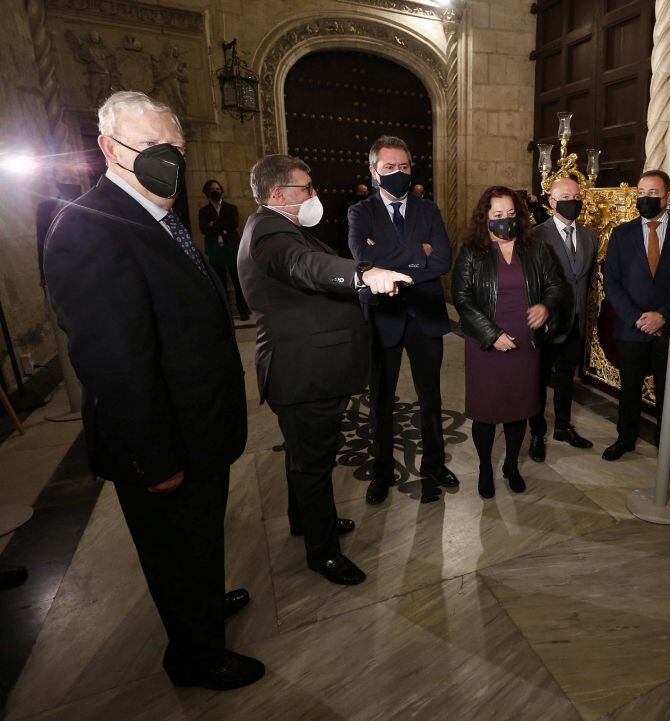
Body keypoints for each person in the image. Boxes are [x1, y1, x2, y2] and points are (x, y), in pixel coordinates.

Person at [43, 91, 263, 690]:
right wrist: (155, 459)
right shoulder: (88, 227)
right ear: (109, 149)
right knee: (174, 551)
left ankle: (205, 607)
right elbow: (114, 365)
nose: (169, 159)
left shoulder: (154, 213)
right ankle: (194, 658)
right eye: (151, 147)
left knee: (199, 541)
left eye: (176, 148)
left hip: (198, 427)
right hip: (162, 442)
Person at [238, 155, 411, 585]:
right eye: (306, 188)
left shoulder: (282, 228)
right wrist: (363, 273)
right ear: (278, 194)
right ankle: (323, 553)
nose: (315, 195)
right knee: (313, 465)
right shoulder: (269, 232)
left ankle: (306, 522)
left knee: (303, 457)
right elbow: (305, 267)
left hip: (307, 370)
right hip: (304, 373)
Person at [347, 136, 456, 505]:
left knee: (431, 398)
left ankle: (435, 464)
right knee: (380, 400)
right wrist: (417, 253)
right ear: (374, 171)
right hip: (383, 319)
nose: (398, 173)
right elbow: (362, 255)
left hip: (424, 317)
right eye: (390, 167)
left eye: (405, 167)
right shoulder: (360, 213)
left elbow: (443, 260)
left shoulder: (429, 210)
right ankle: (380, 471)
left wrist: (389, 260)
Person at [452, 187, 567, 498]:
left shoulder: (537, 249)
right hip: (485, 343)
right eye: (498, 216)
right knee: (486, 412)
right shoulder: (472, 251)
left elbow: (555, 284)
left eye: (511, 215)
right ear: (485, 218)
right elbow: (461, 299)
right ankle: (485, 469)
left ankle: (511, 466)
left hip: (525, 343)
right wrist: (491, 335)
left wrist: (545, 306)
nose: (506, 221)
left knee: (520, 408)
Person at [601, 169, 670, 473]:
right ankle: (625, 438)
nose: (646, 198)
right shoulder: (622, 233)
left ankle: (665, 445)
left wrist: (664, 315)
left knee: (666, 391)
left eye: (653, 193)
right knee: (629, 387)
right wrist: (635, 318)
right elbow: (612, 282)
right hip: (632, 327)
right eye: (641, 193)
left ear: (667, 196)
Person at [527, 176, 596, 462]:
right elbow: (531, 283)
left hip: (576, 322)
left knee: (567, 378)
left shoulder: (591, 236)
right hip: (547, 323)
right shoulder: (536, 236)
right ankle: (536, 433)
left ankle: (564, 427)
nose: (573, 202)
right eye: (566, 197)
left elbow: (587, 279)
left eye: (577, 196)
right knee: (539, 380)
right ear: (552, 202)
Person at [199, 179, 249, 320]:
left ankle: (243, 311)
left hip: (231, 249)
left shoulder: (231, 208)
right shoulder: (203, 211)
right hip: (215, 250)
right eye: (213, 189)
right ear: (207, 193)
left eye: (218, 188)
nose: (216, 191)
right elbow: (203, 229)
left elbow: (233, 224)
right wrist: (222, 227)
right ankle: (226, 313)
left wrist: (213, 224)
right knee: (220, 282)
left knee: (237, 281)